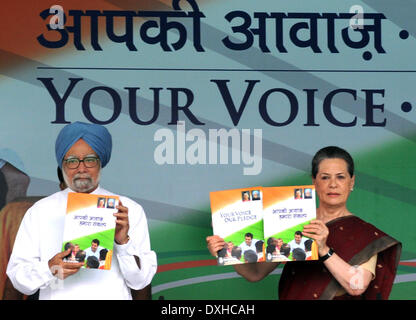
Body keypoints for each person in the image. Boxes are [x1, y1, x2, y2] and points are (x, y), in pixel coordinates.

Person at [207, 146, 401, 300]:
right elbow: (255, 273)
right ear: (314, 182)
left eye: (340, 177)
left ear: (351, 182)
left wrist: (324, 250)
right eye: (325, 177)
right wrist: (227, 251)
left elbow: (356, 286)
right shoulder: (292, 220)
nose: (333, 184)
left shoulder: (364, 234)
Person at [7, 121, 157, 300]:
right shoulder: (39, 212)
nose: (81, 168)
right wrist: (50, 269)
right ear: (62, 165)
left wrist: (123, 243)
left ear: (100, 163)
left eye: (90, 160)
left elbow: (140, 282)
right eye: (72, 161)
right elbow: (18, 278)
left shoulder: (128, 210)